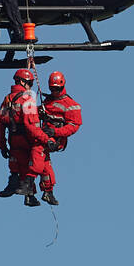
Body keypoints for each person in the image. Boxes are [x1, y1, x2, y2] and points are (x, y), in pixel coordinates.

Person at [0, 68, 54, 207]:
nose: (30, 86)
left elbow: (0, 126)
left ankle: (20, 188)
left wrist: (2, 146)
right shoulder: (28, 99)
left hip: (14, 141)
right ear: (24, 82)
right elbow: (31, 126)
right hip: (28, 140)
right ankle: (29, 186)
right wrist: (47, 140)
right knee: (40, 159)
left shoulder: (7, 100)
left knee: (18, 166)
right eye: (30, 83)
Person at [36, 71, 82, 206]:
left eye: (57, 89)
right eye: (52, 89)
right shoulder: (48, 101)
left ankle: (47, 190)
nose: (55, 92)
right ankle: (41, 192)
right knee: (37, 160)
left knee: (42, 158)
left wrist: (55, 132)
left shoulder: (71, 105)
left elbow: (73, 127)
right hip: (42, 135)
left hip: (55, 139)